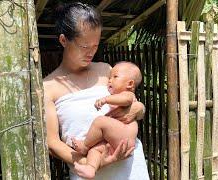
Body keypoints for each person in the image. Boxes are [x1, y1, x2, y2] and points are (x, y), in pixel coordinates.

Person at [43, 2, 149, 179]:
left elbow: (130, 101)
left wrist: (139, 109)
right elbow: (53, 143)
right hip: (88, 172)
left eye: (95, 45)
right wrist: (98, 162)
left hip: (131, 169)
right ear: (63, 40)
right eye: (85, 46)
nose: (91, 52)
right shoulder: (48, 87)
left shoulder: (106, 70)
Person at [72, 62, 143, 179]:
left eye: (115, 77)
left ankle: (84, 145)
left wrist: (106, 99)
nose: (110, 81)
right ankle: (91, 168)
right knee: (95, 150)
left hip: (125, 135)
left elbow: (124, 100)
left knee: (100, 121)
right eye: (109, 78)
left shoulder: (128, 94)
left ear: (130, 84)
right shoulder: (118, 95)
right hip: (117, 140)